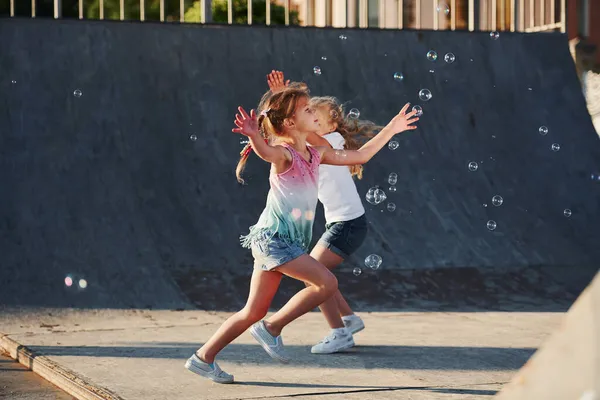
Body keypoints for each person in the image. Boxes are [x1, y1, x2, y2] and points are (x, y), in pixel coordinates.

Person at [185, 85, 419, 383]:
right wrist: (254, 135)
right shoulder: (284, 155)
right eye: (307, 110)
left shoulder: (317, 153)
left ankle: (203, 357)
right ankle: (273, 328)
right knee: (327, 282)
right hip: (275, 239)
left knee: (253, 310)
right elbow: (266, 151)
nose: (314, 112)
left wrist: (392, 128)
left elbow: (360, 155)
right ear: (291, 123)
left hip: (283, 241)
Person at [266, 70, 381, 354]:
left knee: (314, 276)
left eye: (316, 115)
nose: (312, 118)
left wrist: (292, 106)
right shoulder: (310, 146)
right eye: (309, 113)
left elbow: (312, 136)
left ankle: (339, 332)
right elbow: (285, 132)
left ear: (332, 124)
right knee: (319, 274)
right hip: (341, 224)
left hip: (348, 224)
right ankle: (349, 319)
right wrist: (281, 100)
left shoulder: (334, 143)